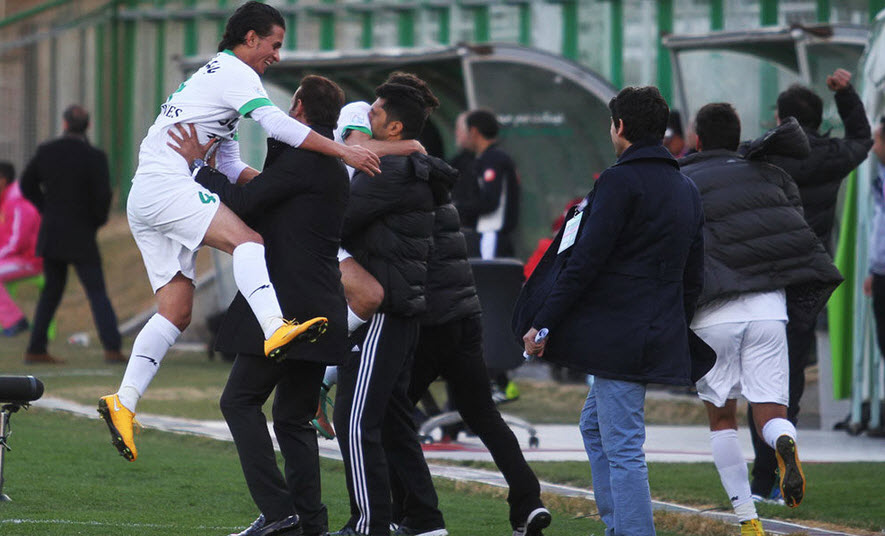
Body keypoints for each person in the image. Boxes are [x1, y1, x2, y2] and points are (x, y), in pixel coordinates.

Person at [96, 1, 380, 463]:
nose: (277, 56)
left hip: (148, 194)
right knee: (249, 242)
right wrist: (340, 153)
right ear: (250, 38)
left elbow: (227, 164)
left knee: (175, 311)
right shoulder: (234, 73)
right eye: (275, 45)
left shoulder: (218, 83)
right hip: (167, 185)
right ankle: (274, 327)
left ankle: (123, 402)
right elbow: (275, 123)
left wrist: (276, 185)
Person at [516, 86, 710, 536]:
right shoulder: (687, 188)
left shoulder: (619, 181)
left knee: (623, 446)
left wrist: (543, 320)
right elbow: (693, 275)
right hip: (654, 329)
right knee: (595, 428)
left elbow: (584, 260)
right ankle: (618, 525)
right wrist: (675, 326)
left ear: (619, 127)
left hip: (618, 336)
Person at [170, 74, 349, 536]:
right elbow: (269, 196)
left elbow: (247, 203)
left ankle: (279, 512)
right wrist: (229, 164)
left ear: (300, 110)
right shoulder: (321, 162)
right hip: (322, 304)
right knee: (293, 420)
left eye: (291, 105)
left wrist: (197, 166)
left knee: (239, 401)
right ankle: (310, 523)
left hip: (288, 305)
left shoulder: (306, 158)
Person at [680, 103, 843, 535]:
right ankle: (782, 442)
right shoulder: (769, 174)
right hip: (769, 309)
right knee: (770, 411)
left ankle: (748, 519)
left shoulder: (683, 180)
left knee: (721, 419)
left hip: (714, 311)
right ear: (736, 138)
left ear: (697, 139)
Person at [392, 157, 551, 536]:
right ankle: (528, 502)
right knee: (483, 415)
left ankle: (412, 515)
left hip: (429, 324)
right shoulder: (445, 204)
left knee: (389, 414)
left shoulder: (406, 205)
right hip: (466, 319)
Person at [331, 80, 455, 536]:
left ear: (395, 127)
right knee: (395, 420)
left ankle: (367, 526)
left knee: (354, 419)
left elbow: (336, 220)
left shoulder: (393, 171)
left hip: (383, 312)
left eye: (377, 114)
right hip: (399, 310)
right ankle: (425, 521)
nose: (368, 118)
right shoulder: (403, 162)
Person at [744, 68, 872, 501]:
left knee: (759, 378)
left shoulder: (766, 157)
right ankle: (780, 466)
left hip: (763, 278)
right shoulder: (832, 155)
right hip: (807, 280)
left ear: (782, 121)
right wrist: (847, 94)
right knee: (790, 378)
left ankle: (761, 479)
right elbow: (862, 138)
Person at [19, 105, 123, 365]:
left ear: (64, 124)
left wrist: (46, 208)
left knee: (51, 292)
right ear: (88, 126)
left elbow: (26, 183)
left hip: (53, 231)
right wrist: (95, 222)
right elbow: (102, 196)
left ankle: (36, 347)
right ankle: (112, 348)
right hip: (82, 233)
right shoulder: (95, 157)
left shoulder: (47, 151)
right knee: (97, 292)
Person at [463, 109, 520, 259]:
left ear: (474, 131)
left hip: (491, 235)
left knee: (487, 279)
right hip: (490, 235)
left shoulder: (493, 160)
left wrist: (458, 208)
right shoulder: (490, 158)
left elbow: (490, 201)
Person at [0, 162, 41, 336]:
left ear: (2, 180)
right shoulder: (5, 201)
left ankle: (15, 321)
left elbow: (18, 241)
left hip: (30, 260)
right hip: (14, 258)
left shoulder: (16, 202)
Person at [864, 117, 885, 373]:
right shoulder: (879, 176)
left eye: (878, 140)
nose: (873, 146)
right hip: (881, 271)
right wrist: (873, 268)